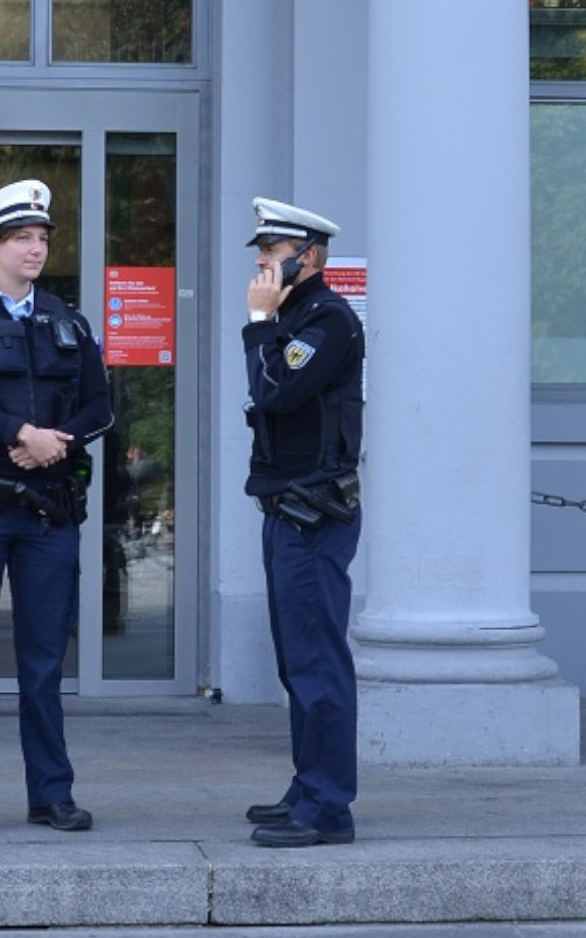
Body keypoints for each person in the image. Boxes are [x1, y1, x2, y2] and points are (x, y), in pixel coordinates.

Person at [0, 178, 113, 838]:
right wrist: (20, 435)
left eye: (42, 239)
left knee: (42, 664)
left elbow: (100, 405)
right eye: (23, 239)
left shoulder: (69, 319)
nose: (36, 249)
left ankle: (51, 795)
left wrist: (54, 443)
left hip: (48, 515)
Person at [239, 197, 365, 848]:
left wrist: (260, 322)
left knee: (317, 663)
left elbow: (274, 392)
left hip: (314, 514)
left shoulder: (327, 320)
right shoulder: (297, 315)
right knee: (297, 662)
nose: (260, 263)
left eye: (270, 253)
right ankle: (306, 787)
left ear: (305, 256)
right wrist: (268, 320)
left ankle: (327, 807)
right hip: (288, 509)